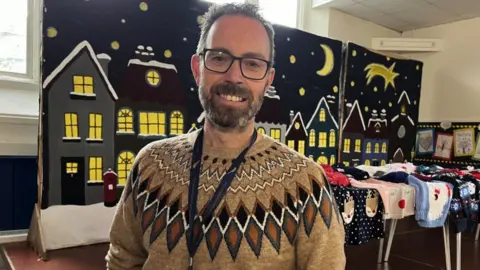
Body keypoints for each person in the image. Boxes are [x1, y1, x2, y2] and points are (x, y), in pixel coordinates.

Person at [106, 3, 346, 270]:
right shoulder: (150, 164)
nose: (234, 76)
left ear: (268, 80)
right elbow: (123, 258)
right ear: (198, 68)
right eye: (219, 58)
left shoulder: (306, 183)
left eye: (252, 64)